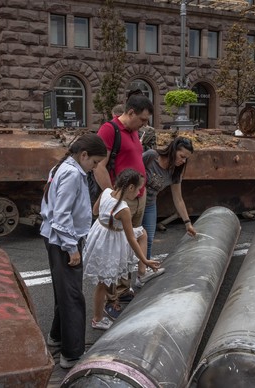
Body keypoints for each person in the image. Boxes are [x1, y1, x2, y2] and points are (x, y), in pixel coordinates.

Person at [39, 134, 107, 369]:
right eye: (95, 162)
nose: (95, 167)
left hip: (56, 238)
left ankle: (57, 338)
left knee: (64, 292)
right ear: (84, 155)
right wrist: (71, 248)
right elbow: (62, 215)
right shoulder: (71, 173)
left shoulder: (64, 167)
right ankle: (72, 354)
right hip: (63, 240)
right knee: (73, 297)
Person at [94, 94, 154, 320]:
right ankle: (113, 299)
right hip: (122, 199)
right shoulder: (110, 130)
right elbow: (99, 166)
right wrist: (112, 196)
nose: (145, 124)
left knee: (128, 247)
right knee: (115, 250)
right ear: (130, 113)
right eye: (142, 119)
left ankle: (123, 290)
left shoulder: (134, 131)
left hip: (137, 196)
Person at [83, 169, 161, 330]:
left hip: (100, 234)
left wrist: (107, 220)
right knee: (102, 283)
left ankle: (141, 273)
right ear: (130, 187)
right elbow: (131, 237)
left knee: (143, 233)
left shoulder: (106, 192)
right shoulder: (123, 209)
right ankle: (97, 319)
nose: (139, 192)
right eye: (139, 189)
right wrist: (145, 259)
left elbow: (95, 211)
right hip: (111, 240)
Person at [141, 137, 197, 287]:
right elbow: (132, 171)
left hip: (150, 205)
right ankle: (123, 281)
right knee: (130, 239)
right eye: (182, 156)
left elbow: (178, 199)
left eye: (186, 159)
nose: (183, 161)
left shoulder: (175, 172)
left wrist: (187, 223)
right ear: (173, 150)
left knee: (149, 239)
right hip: (135, 204)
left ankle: (143, 273)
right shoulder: (151, 156)